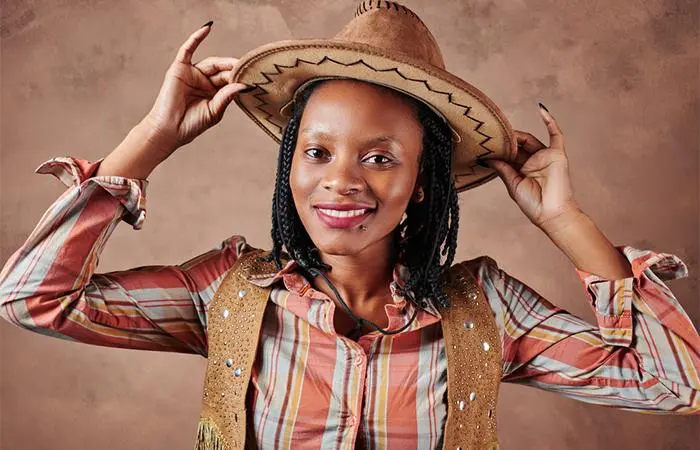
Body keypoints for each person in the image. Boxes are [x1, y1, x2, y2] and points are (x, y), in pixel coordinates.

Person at [1, 2, 698, 449]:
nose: (341, 180)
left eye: (379, 157)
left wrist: (566, 223)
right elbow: (33, 299)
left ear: (422, 183)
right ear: (291, 169)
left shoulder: (486, 311)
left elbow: (676, 384)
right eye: (317, 151)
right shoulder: (229, 294)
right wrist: (153, 138)